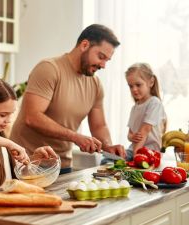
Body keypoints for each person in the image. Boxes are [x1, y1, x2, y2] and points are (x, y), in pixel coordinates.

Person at [10, 24, 126, 174]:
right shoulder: (49, 69)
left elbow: (99, 126)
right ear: (84, 45)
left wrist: (108, 146)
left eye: (107, 60)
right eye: (101, 57)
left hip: (62, 165)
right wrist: (75, 137)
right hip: (27, 162)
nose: (103, 65)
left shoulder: (95, 84)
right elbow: (32, 117)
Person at [125, 63, 167, 160]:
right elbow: (129, 134)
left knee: (112, 162)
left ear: (151, 82)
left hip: (150, 152)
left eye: (138, 85)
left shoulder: (154, 103)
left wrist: (136, 156)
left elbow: (145, 130)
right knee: (107, 160)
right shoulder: (134, 108)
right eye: (130, 86)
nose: (134, 89)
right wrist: (132, 137)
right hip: (134, 150)